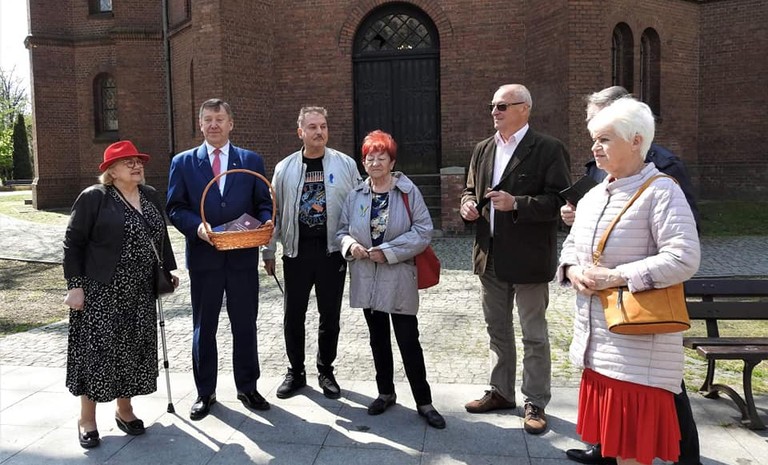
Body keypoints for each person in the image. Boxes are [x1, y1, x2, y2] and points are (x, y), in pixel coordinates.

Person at [562, 86, 703, 465]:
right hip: (597, 346)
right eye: (594, 139)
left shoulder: (662, 192)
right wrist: (572, 270)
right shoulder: (594, 195)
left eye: (605, 139)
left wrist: (616, 277)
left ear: (637, 140)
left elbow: (684, 258)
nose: (595, 148)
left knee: (631, 454)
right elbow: (572, 246)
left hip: (638, 350)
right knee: (612, 447)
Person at [459, 84, 571, 435]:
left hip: (529, 258)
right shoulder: (483, 149)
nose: (495, 111)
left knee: (533, 334)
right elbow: (470, 189)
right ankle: (501, 391)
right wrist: (467, 205)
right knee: (497, 329)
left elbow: (559, 202)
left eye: (503, 106)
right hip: (489, 254)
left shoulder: (548, 148)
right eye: (492, 105)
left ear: (525, 108)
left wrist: (517, 204)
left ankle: (535, 401)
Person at [63, 140, 179, 448]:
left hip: (140, 291)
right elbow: (73, 242)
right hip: (101, 290)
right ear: (111, 171)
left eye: (138, 161)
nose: (136, 166)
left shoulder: (149, 194)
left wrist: (166, 270)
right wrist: (75, 286)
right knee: (97, 354)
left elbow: (160, 236)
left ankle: (124, 410)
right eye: (128, 162)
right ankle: (87, 419)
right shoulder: (94, 197)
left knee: (132, 350)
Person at [167, 98, 273, 420]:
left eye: (220, 118)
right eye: (208, 119)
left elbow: (263, 203)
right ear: (200, 125)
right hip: (205, 259)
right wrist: (197, 227)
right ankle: (205, 392)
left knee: (245, 325)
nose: (214, 124)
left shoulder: (250, 161)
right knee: (204, 327)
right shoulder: (183, 162)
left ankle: (248, 387)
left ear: (231, 123)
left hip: (242, 259)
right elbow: (175, 208)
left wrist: (266, 220)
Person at [337, 130, 446, 429]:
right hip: (367, 276)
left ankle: (424, 401)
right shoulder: (356, 195)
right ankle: (385, 392)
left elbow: (423, 231)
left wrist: (388, 252)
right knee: (378, 339)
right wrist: (350, 245)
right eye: (369, 158)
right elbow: (342, 231)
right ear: (363, 163)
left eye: (381, 157)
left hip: (398, 276)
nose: (375, 163)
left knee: (408, 340)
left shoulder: (408, 192)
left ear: (392, 161)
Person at [262, 106, 361, 399]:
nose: (319, 132)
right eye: (313, 127)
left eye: (323, 126)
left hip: (332, 252)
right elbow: (274, 213)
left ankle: (326, 370)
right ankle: (296, 372)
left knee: (329, 315)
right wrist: (268, 250)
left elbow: (359, 206)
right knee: (293, 315)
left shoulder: (345, 165)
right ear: (300, 132)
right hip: (297, 252)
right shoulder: (284, 168)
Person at [561, 86, 700, 231]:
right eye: (590, 120)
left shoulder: (666, 167)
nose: (593, 126)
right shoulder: (597, 165)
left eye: (599, 118)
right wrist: (577, 215)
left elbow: (687, 227)